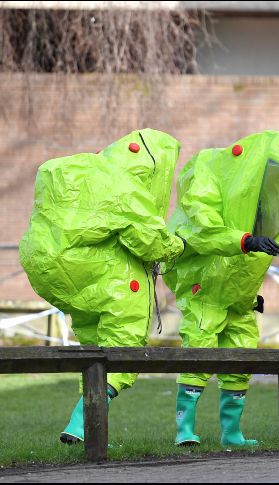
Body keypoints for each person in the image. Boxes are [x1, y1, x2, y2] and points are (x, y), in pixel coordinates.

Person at [163, 130, 279, 447]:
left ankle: (231, 433)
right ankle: (184, 429)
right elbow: (201, 229)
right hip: (206, 292)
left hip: (242, 299)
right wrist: (245, 241)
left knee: (241, 360)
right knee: (198, 355)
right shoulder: (211, 176)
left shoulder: (264, 204)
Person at [19, 128, 186, 444]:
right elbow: (151, 242)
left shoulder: (82, 172)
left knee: (95, 346)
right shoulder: (123, 186)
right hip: (101, 274)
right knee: (124, 345)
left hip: (51, 269)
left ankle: (83, 425)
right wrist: (177, 245)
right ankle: (83, 424)